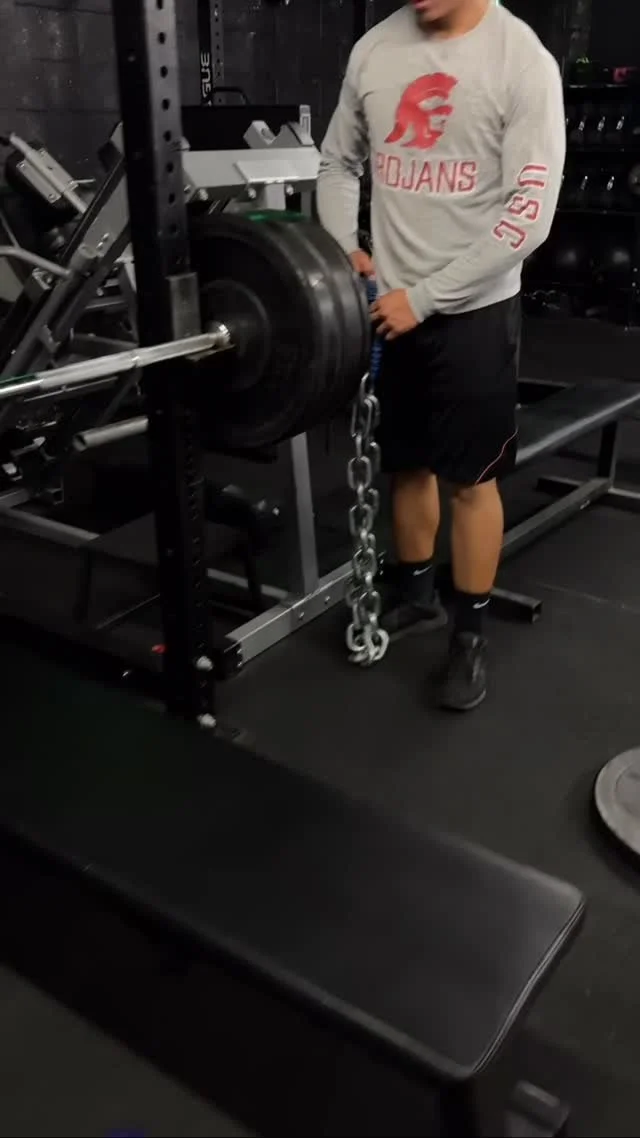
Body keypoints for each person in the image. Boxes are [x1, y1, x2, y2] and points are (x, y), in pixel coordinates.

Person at [317, 0, 565, 710]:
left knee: (471, 481)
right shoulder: (375, 49)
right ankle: (416, 594)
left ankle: (469, 636)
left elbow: (529, 217)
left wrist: (424, 298)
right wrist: (345, 247)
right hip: (390, 303)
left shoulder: (521, 61)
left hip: (473, 312)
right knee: (406, 464)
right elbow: (338, 162)